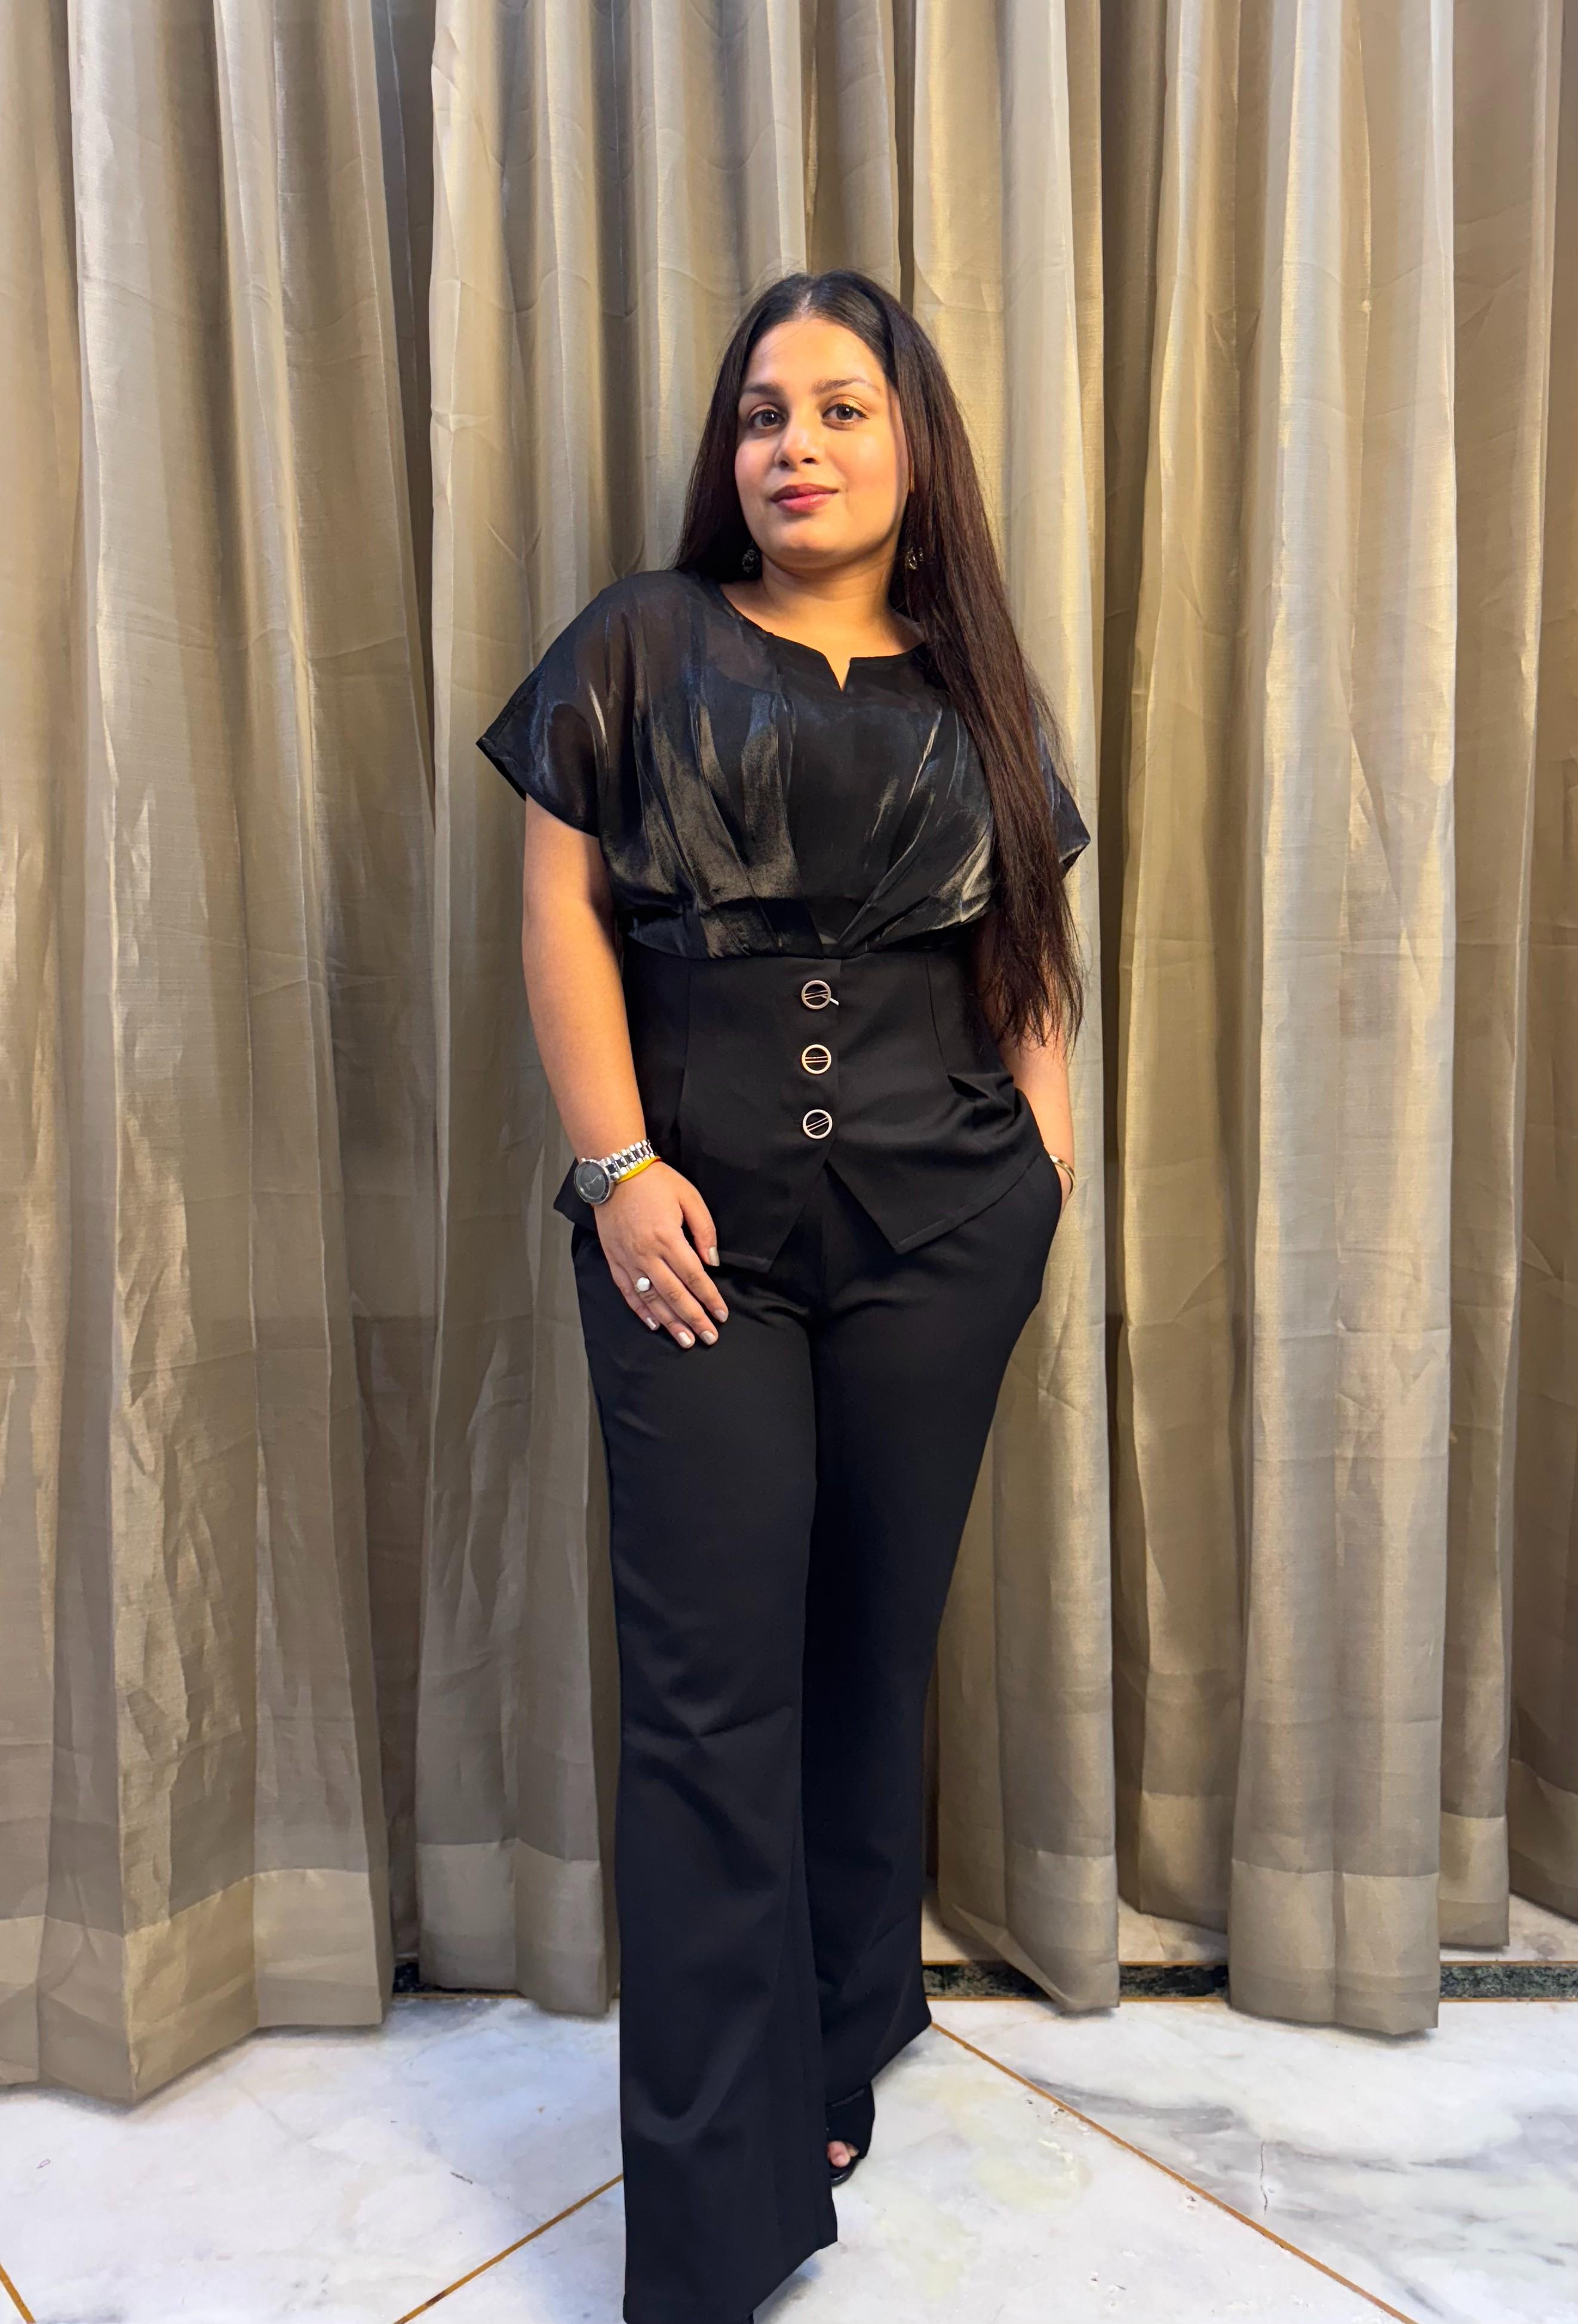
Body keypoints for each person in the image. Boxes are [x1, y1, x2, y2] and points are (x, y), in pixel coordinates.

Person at [477, 268, 1089, 2324]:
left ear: (913, 451)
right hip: (691, 1236)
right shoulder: (637, 642)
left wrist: (1041, 1177)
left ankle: (842, 2029)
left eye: (838, 408)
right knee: (706, 1693)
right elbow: (559, 913)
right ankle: (712, 2222)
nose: (793, 445)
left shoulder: (977, 688)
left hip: (944, 1232)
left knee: (869, 1647)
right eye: (762, 412)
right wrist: (615, 1168)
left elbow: (1025, 964)